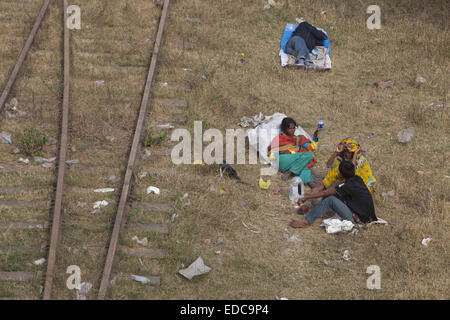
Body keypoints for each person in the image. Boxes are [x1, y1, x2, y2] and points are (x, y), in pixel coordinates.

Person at [289, 161, 377, 228]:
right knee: (335, 191)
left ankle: (306, 222)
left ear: (341, 174)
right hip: (369, 216)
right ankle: (319, 208)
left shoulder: (347, 186)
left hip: (360, 220)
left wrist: (306, 197)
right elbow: (336, 187)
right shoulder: (357, 178)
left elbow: (325, 192)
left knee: (330, 200)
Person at [268, 117, 318, 189]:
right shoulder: (279, 138)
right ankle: (290, 172)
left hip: (294, 163)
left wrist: (315, 137)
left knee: (304, 167)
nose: (292, 130)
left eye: (294, 128)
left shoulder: (299, 139)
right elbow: (271, 153)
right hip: (282, 161)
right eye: (290, 128)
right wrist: (280, 152)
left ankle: (312, 185)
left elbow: (312, 148)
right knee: (309, 155)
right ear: (284, 129)